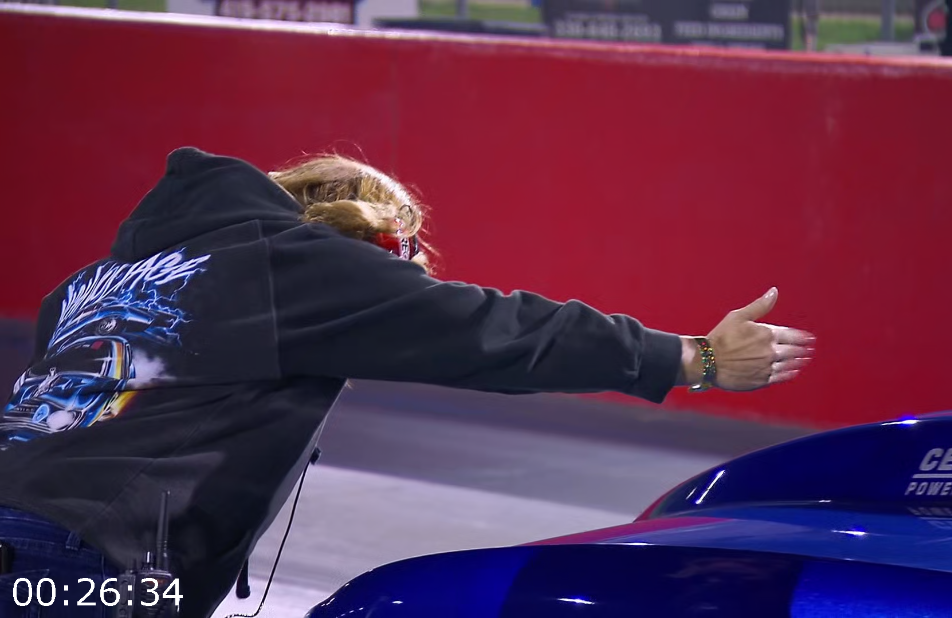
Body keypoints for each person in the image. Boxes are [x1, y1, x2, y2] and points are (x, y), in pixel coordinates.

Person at [0, 147, 815, 618]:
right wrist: (695, 359)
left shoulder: (94, 281)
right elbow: (492, 331)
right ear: (377, 243)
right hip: (86, 561)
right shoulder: (298, 266)